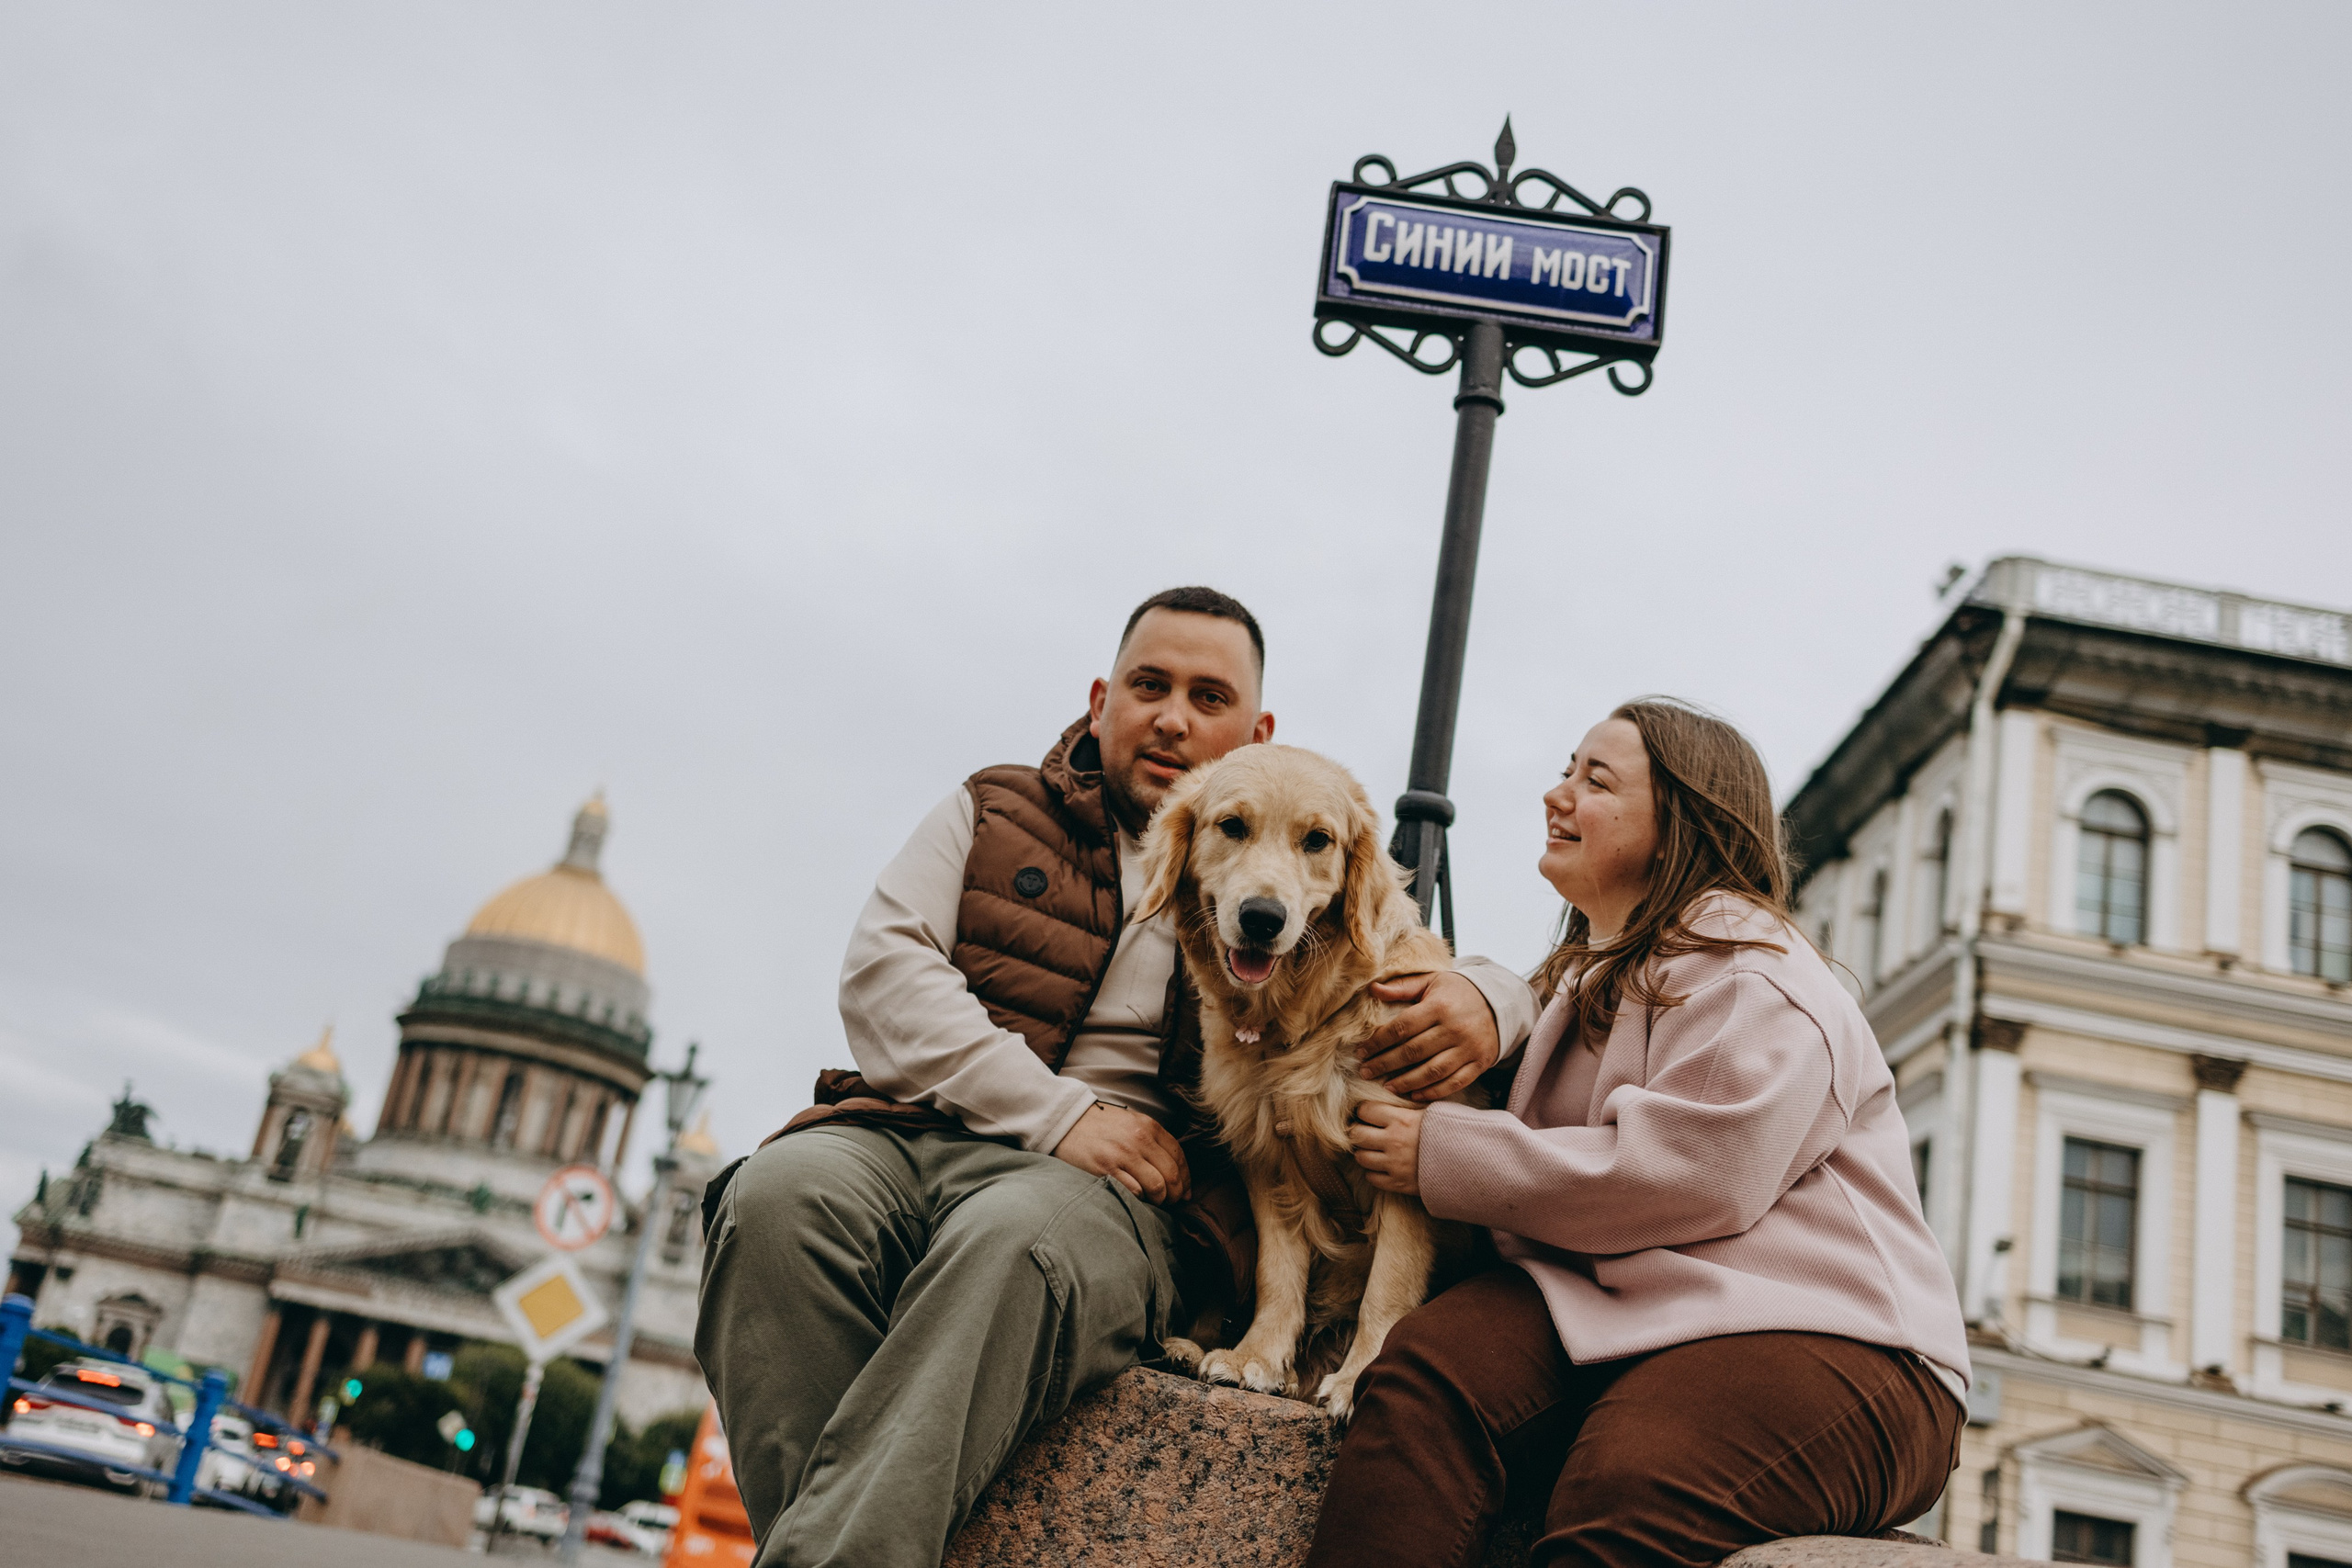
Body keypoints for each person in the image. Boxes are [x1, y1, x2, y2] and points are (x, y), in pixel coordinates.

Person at [695, 586, 1540, 1568]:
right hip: (906, 1130)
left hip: (1113, 1192)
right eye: (1149, 685)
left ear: (1255, 729)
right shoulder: (992, 805)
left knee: (1012, 1245)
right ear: (1102, 698)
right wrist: (1058, 1114)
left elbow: (1390, 952)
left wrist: (1496, 999)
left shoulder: (1269, 865)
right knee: (773, 1200)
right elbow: (885, 976)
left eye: (1208, 696)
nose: (1174, 715)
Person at [1319, 697, 1970, 1568]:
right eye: (1565, 769)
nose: (1558, 795)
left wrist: (1441, 1154)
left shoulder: (1756, 972)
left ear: (1680, 827)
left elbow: (1691, 1176)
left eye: (1596, 780)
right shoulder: (1591, 973)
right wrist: (1484, 997)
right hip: (1625, 1300)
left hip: (1841, 1339)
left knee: (1629, 1482)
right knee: (1422, 1376)